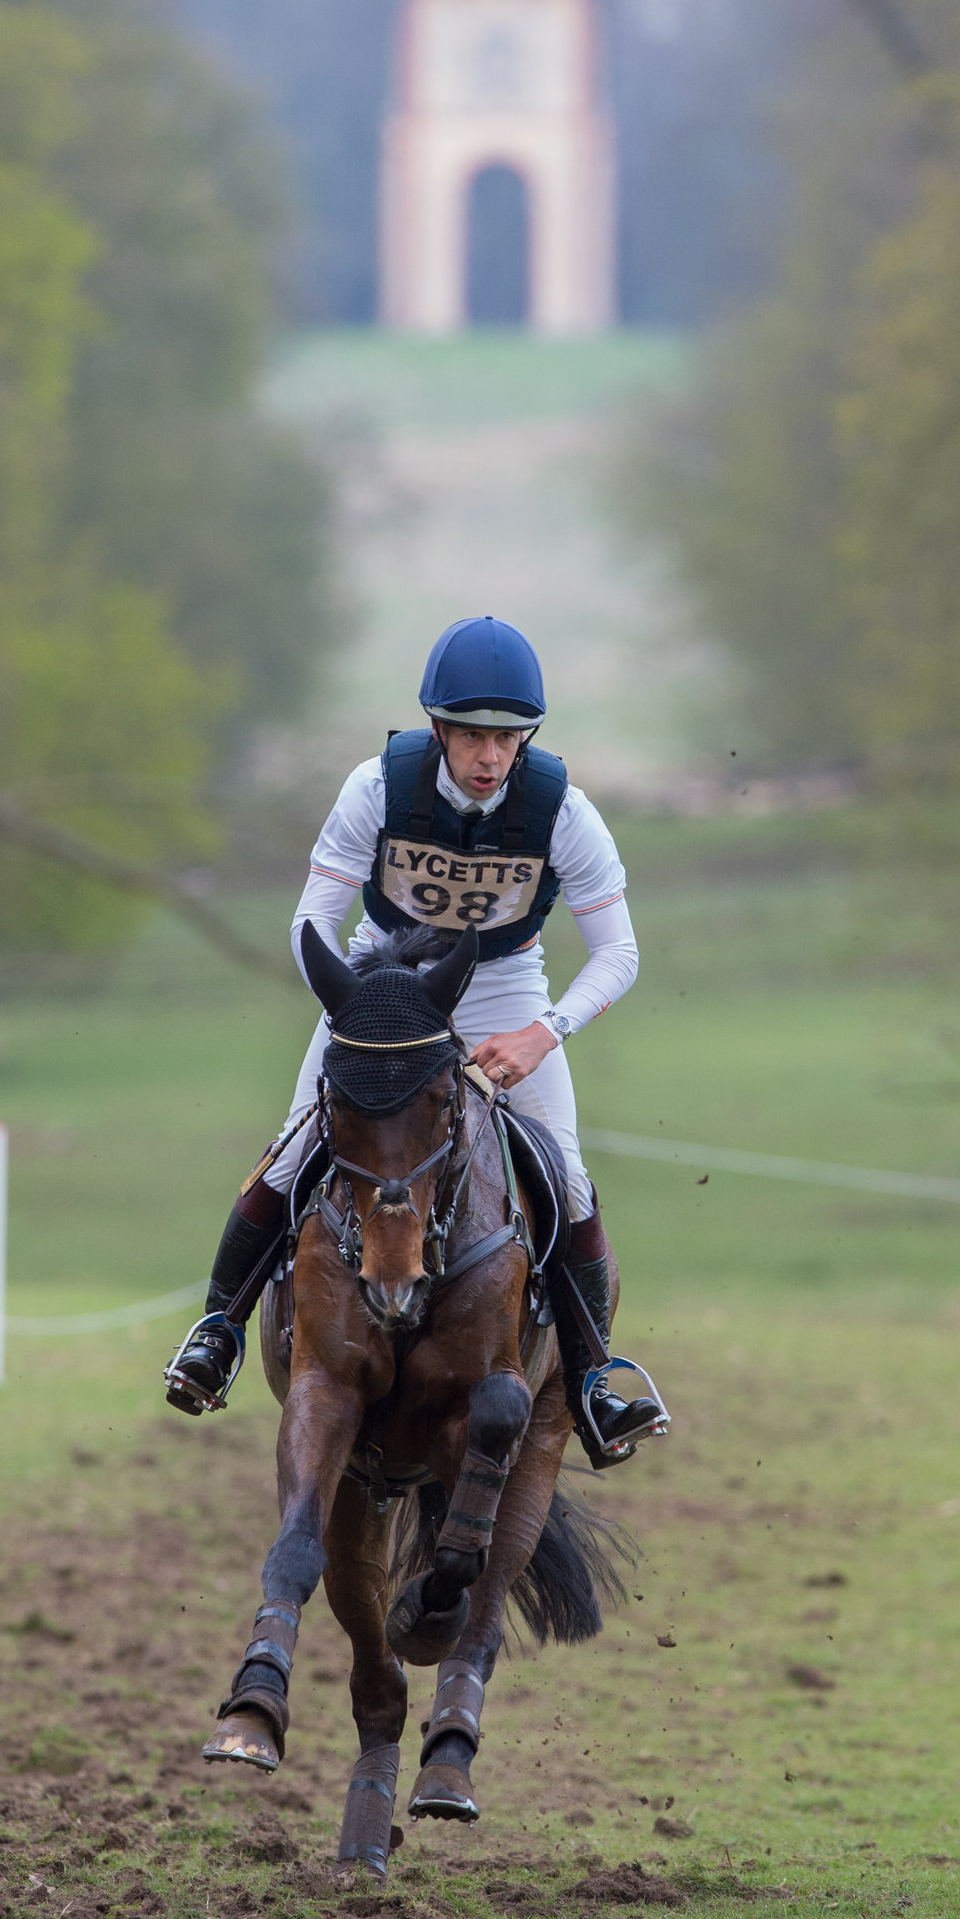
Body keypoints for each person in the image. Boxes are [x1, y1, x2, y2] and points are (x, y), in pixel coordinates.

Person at [164, 616, 667, 1466]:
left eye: (508, 739)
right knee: (291, 1153)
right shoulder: (376, 788)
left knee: (567, 1176)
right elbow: (310, 926)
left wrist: (545, 1033)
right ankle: (218, 1330)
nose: (490, 757)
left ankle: (592, 1381)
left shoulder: (564, 811)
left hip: (502, 985)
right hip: (381, 979)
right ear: (437, 730)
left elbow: (619, 952)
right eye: (472, 735)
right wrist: (363, 1006)